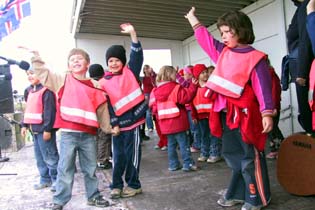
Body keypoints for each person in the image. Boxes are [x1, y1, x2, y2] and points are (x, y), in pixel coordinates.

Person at [185, 7, 274, 210]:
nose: (223, 36)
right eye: (222, 32)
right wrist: (193, 20)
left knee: (250, 157)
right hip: (228, 116)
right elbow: (206, 40)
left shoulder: (256, 58)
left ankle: (257, 197)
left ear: (240, 31)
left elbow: (262, 88)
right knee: (233, 156)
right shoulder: (223, 53)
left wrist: (266, 112)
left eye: (227, 32)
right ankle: (238, 193)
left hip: (247, 116)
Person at [28, 48, 111, 210]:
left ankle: (93, 196)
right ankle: (59, 201)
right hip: (68, 134)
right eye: (72, 59)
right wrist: (36, 57)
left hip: (89, 135)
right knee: (65, 169)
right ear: (68, 64)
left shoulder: (95, 85)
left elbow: (102, 109)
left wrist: (108, 128)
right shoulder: (61, 80)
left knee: (90, 169)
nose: (76, 61)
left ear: (87, 64)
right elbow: (43, 73)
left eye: (79, 59)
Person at [98, 23, 146, 199]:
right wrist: (114, 124)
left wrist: (133, 33)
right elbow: (106, 107)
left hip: (133, 123)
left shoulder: (130, 72)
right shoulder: (103, 82)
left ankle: (134, 185)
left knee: (133, 157)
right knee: (118, 158)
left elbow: (137, 56)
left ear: (123, 62)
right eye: (110, 60)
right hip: (117, 127)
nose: (114, 63)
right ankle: (116, 185)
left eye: (117, 60)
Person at [150, 65, 198, 172]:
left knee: (171, 145)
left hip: (165, 124)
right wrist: (193, 87)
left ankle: (173, 164)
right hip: (178, 122)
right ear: (171, 75)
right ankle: (188, 163)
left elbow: (154, 108)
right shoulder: (175, 88)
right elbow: (186, 97)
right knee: (183, 143)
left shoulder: (156, 91)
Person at [21, 69, 59, 192]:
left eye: (32, 73)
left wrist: (48, 129)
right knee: (40, 157)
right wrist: (24, 125)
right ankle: (45, 179)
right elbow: (28, 109)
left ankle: (56, 180)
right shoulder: (28, 90)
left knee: (50, 156)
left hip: (44, 131)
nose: (30, 76)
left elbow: (49, 111)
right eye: (28, 74)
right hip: (34, 130)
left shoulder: (46, 91)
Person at [287, 0, 314, 133]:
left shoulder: (307, 6)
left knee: (307, 112)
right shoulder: (301, 8)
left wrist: (302, 72)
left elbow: (306, 39)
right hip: (303, 63)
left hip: (305, 65)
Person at [191, 64, 222, 163]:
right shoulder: (194, 88)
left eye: (206, 72)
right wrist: (194, 116)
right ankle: (204, 153)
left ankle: (214, 154)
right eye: (202, 73)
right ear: (197, 75)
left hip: (213, 115)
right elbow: (192, 103)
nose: (205, 75)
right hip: (201, 117)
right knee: (204, 135)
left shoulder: (211, 86)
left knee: (214, 134)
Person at [88, 64, 112, 169]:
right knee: (104, 138)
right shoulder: (103, 84)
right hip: (102, 115)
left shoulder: (88, 84)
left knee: (96, 138)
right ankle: (103, 160)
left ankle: (97, 158)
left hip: (91, 116)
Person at [266, 60, 285, 159]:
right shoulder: (268, 74)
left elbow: (275, 92)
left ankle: (281, 149)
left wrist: (273, 106)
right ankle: (275, 149)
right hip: (270, 106)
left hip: (272, 106)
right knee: (271, 129)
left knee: (273, 128)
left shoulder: (270, 74)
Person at [142, 64, 156, 132]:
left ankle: (157, 123)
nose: (146, 70)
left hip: (154, 93)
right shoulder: (143, 78)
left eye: (147, 68)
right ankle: (150, 127)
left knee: (155, 109)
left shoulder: (153, 76)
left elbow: (155, 80)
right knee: (148, 111)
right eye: (145, 69)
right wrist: (145, 95)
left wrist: (152, 72)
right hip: (147, 94)